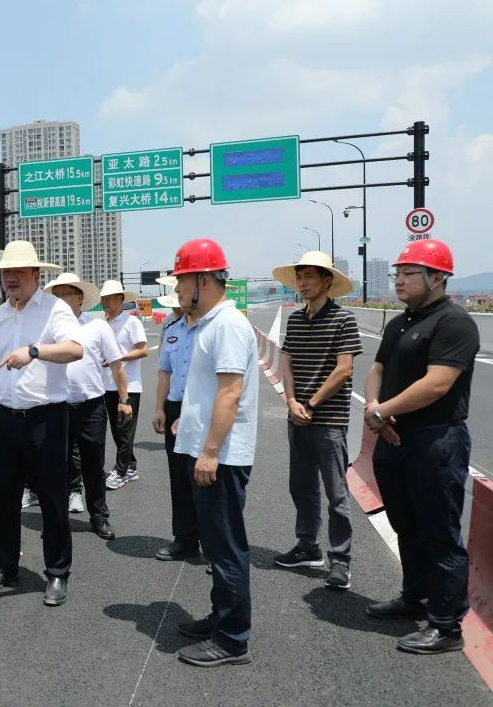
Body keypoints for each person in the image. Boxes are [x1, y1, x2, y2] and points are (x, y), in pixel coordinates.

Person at [364, 239, 478, 655]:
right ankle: (414, 597)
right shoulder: (398, 323)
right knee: (406, 526)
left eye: (409, 273)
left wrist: (382, 411)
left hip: (436, 440)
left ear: (437, 278)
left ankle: (446, 625)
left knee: (439, 533)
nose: (399, 280)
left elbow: (437, 384)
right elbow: (377, 369)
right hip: (393, 438)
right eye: (397, 273)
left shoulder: (455, 322)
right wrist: (374, 408)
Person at [0, 241, 84, 607]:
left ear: (36, 274)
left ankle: (57, 572)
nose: (11, 278)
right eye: (6, 272)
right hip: (7, 417)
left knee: (52, 499)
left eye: (18, 271)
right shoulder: (0, 315)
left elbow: (75, 349)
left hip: (46, 418)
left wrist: (35, 351)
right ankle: (5, 566)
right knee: (3, 498)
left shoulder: (55, 309)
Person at [170, 238, 258, 668]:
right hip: (207, 448)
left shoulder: (227, 325)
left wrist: (208, 452)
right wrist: (186, 424)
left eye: (182, 280)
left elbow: (230, 393)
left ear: (203, 280)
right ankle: (221, 618)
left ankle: (232, 639)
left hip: (220, 457)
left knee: (225, 548)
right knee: (215, 543)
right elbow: (207, 392)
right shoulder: (207, 323)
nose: (177, 289)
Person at [271, 251, 360, 590]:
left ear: (327, 281)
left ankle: (341, 559)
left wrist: (310, 403)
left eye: (310, 276)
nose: (303, 282)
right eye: (299, 276)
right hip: (297, 417)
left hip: (329, 420)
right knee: (302, 487)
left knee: (337, 493)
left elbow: (344, 369)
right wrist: (292, 401)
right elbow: (287, 364)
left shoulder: (343, 319)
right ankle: (308, 546)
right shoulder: (295, 320)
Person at [45, 274, 131, 541]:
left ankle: (99, 516)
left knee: (94, 464)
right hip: (56, 407)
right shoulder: (47, 329)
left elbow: (116, 365)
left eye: (66, 294)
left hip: (91, 407)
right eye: (56, 295)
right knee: (56, 466)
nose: (61, 299)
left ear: (80, 298)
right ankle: (57, 519)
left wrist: (124, 400)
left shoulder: (96, 327)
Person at [151, 290, 201, 562]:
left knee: (207, 477)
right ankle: (185, 539)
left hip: (203, 407)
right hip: (174, 407)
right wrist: (160, 408)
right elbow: (164, 372)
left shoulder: (213, 328)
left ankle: (216, 546)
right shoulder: (171, 329)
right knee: (179, 477)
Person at [97, 279, 149, 490]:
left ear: (120, 299)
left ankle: (120, 472)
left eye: (109, 298)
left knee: (125, 430)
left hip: (129, 386)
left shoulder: (131, 321)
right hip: (108, 385)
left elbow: (143, 350)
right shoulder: (103, 324)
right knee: (117, 431)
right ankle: (131, 466)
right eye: (103, 298)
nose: (105, 302)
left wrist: (118, 357)